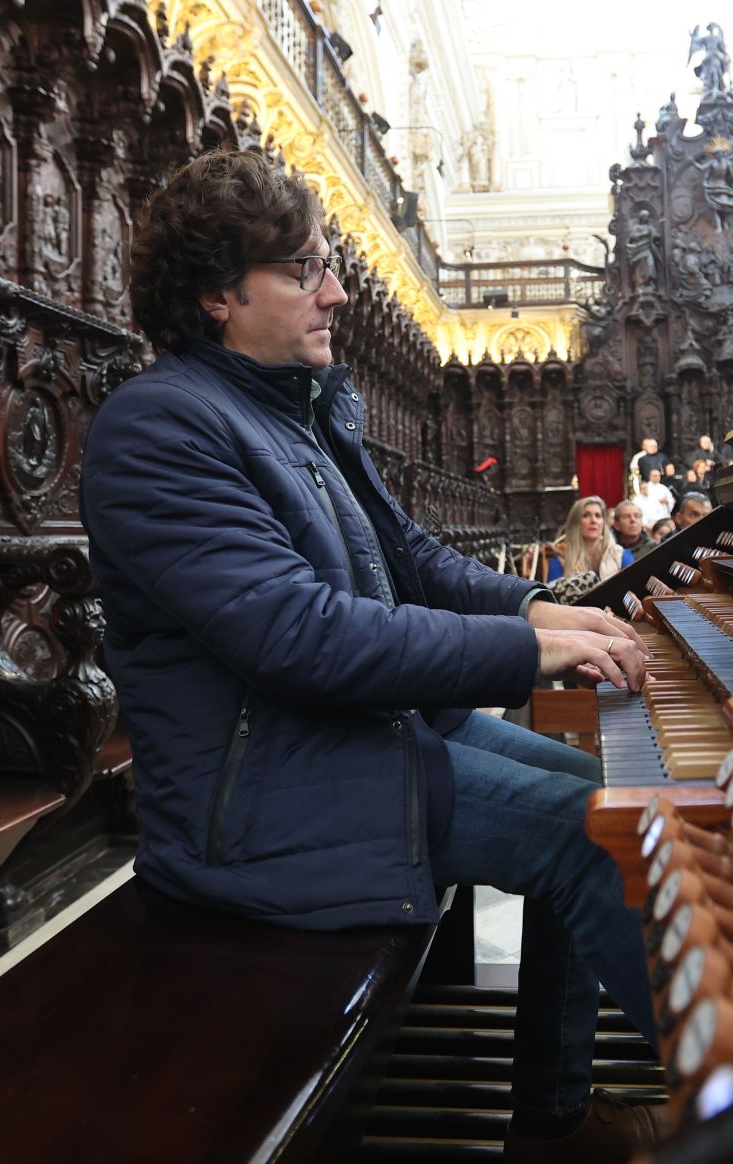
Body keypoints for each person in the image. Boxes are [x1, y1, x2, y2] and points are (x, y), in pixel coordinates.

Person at [81, 150, 661, 1161]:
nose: (337, 290)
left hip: (342, 748)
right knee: (596, 833)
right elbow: (301, 637)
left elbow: (417, 564)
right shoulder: (159, 428)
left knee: (604, 791)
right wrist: (524, 650)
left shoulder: (292, 411)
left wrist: (550, 604)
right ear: (219, 294)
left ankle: (558, 1114)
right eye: (305, 270)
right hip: (261, 798)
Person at [540, 496, 632, 588]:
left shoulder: (619, 555)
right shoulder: (560, 558)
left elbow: (634, 588)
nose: (593, 521)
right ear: (575, 523)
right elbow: (553, 598)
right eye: (586, 515)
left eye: (598, 516)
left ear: (603, 523)